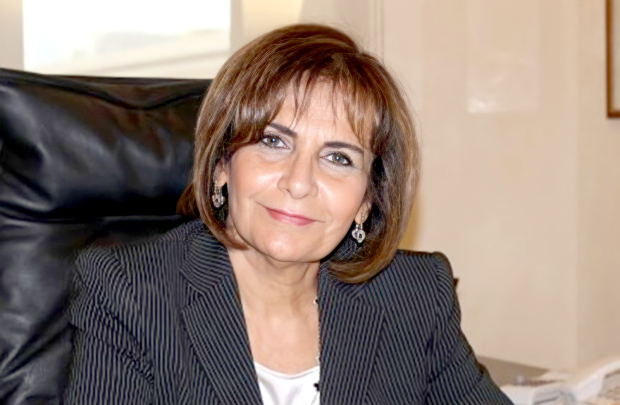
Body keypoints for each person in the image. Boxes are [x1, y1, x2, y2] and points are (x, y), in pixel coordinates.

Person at [64, 24, 512, 404]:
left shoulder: (414, 296)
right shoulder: (128, 294)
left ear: (367, 200)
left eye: (338, 158)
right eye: (274, 141)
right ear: (222, 164)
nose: (299, 182)